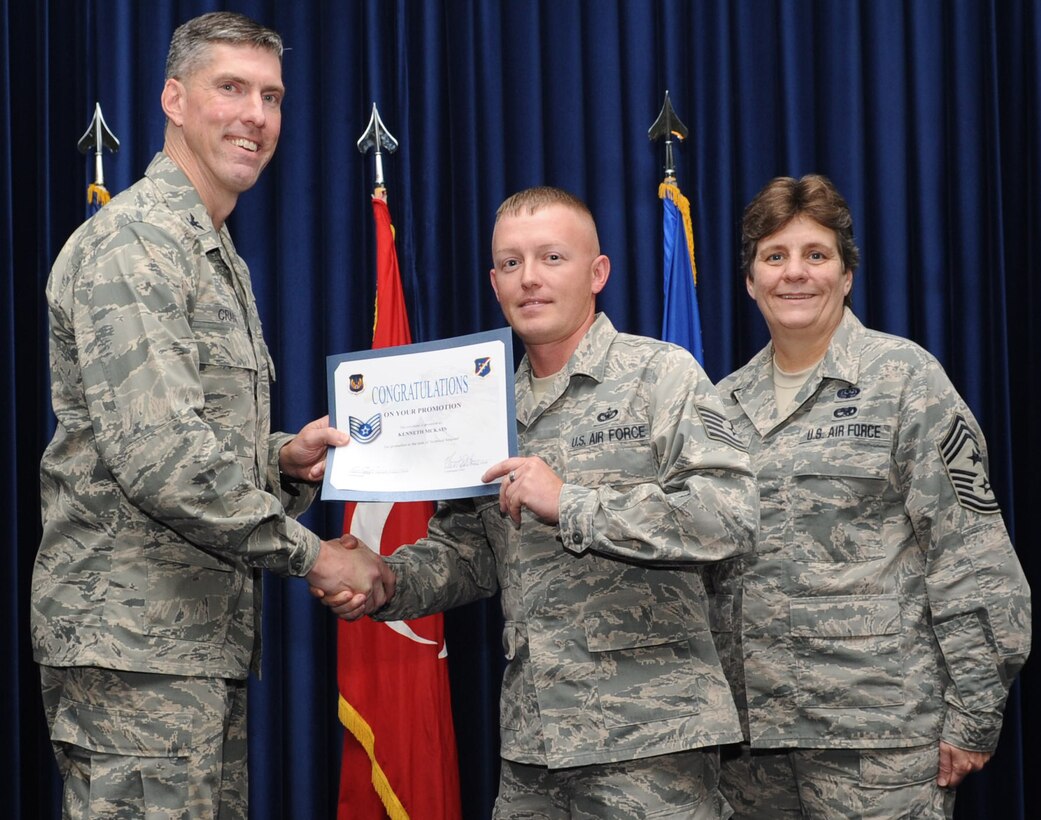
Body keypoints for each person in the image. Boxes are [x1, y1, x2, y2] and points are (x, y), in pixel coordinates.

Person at [31, 12, 387, 820]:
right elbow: (162, 460)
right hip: (134, 652)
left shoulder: (211, 251)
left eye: (271, 96)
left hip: (189, 644)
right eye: (230, 88)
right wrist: (312, 557)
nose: (255, 116)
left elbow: (176, 439)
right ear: (174, 99)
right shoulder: (137, 243)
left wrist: (279, 460)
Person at [325, 186, 759, 818]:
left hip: (653, 742)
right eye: (510, 263)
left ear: (597, 272)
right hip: (534, 746)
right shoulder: (482, 402)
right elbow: (468, 552)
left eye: (552, 258)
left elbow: (729, 516)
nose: (529, 279)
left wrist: (572, 503)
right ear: (494, 281)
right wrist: (387, 579)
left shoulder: (660, 374)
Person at [707, 174, 1031, 818]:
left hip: (877, 735)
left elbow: (971, 556)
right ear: (749, 280)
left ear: (846, 274)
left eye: (815, 255)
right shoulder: (720, 404)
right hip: (750, 746)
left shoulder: (905, 379)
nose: (794, 274)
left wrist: (974, 709)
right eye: (774, 257)